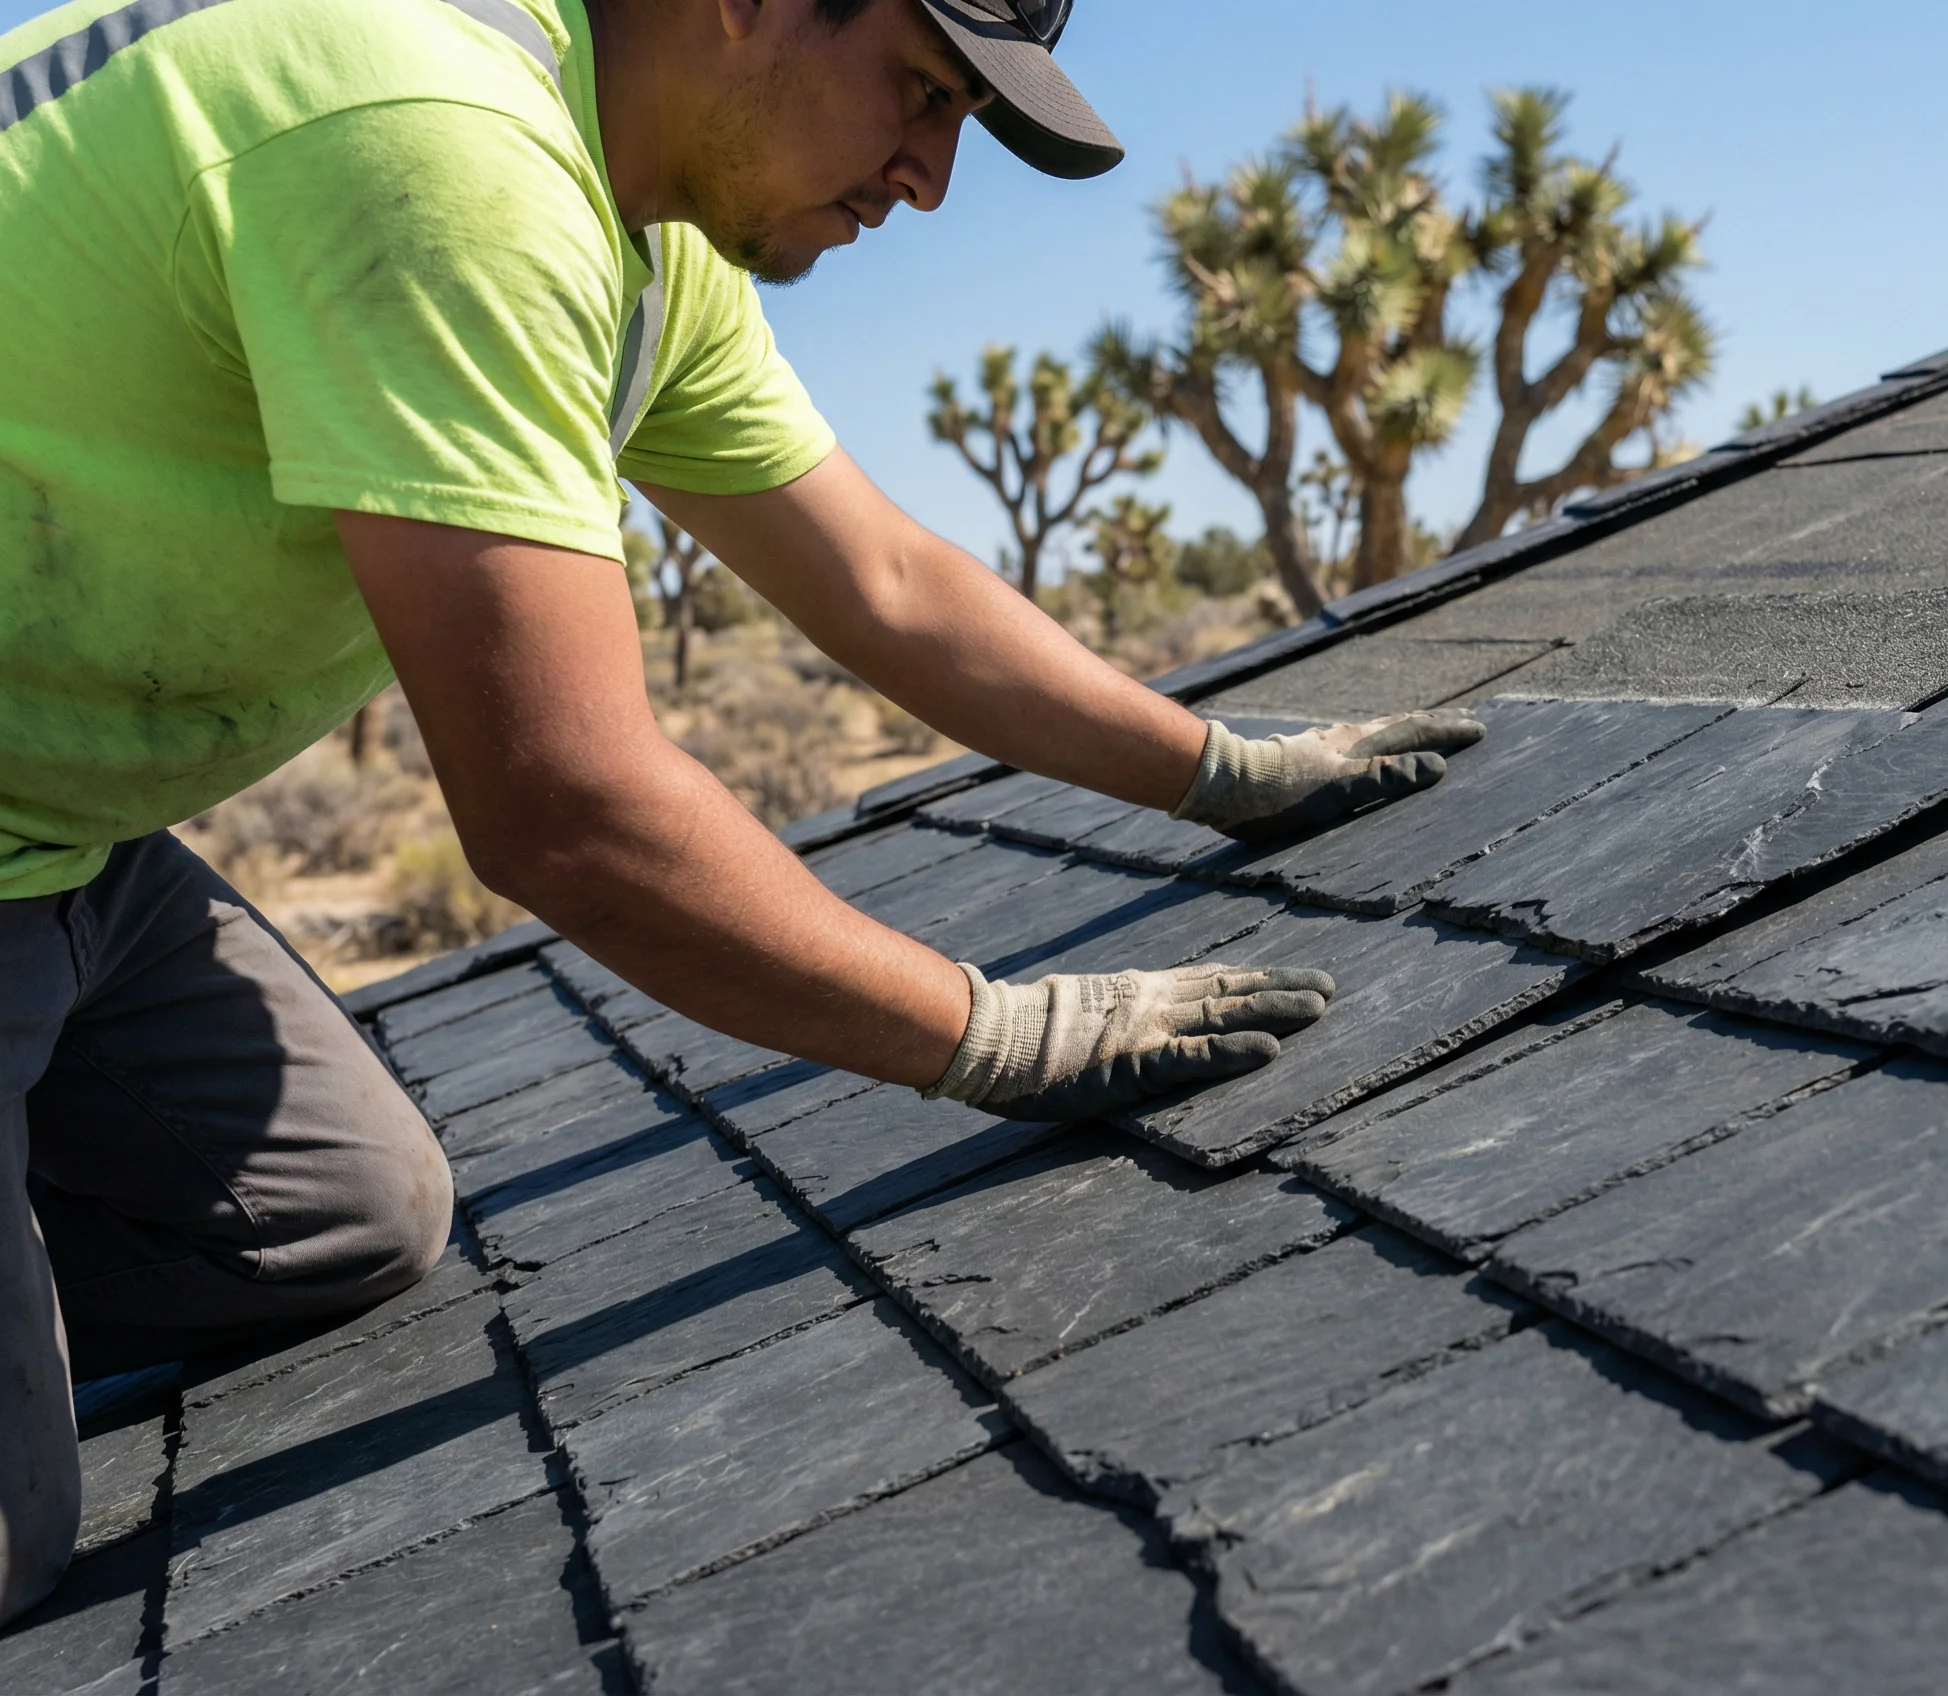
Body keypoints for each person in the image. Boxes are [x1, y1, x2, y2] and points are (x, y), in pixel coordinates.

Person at [0, 0, 1479, 1622]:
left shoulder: (640, 239)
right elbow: (566, 807)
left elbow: (890, 584)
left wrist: (1219, 770)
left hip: (59, 845)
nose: (928, 179)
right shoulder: (435, 146)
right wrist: (1002, 1035)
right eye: (920, 92)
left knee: (339, 1219)